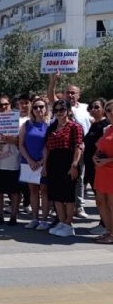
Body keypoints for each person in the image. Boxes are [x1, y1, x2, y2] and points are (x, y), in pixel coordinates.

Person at [47, 72, 90, 216]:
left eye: (73, 93)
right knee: (59, 185)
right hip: (57, 155)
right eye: (67, 92)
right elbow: (50, 97)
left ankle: (79, 206)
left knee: (78, 179)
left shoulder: (85, 108)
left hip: (78, 151)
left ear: (79, 95)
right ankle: (59, 214)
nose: (70, 95)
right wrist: (53, 81)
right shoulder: (58, 111)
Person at [42, 99, 84, 237]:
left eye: (62, 110)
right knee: (56, 195)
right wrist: (44, 166)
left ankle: (68, 224)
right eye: (56, 110)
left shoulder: (74, 127)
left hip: (67, 162)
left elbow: (78, 147)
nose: (59, 113)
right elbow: (47, 148)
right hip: (53, 163)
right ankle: (61, 222)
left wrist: (74, 165)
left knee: (68, 196)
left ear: (68, 111)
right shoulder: (51, 127)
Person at [18, 96, 50, 231]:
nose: (38, 109)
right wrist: (30, 160)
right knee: (33, 191)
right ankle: (35, 218)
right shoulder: (26, 125)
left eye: (41, 107)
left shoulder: (50, 125)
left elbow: (50, 146)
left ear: (46, 109)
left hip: (44, 163)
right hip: (28, 163)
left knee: (44, 191)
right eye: (35, 107)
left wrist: (43, 162)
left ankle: (44, 220)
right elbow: (21, 145)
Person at [0, 96, 22, 226]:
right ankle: (0, 215)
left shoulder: (17, 121)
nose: (3, 107)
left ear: (10, 106)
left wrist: (12, 140)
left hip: (13, 162)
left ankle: (13, 216)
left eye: (5, 105)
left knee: (14, 192)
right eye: (0, 105)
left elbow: (22, 142)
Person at [83, 98, 110, 236]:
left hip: (102, 167)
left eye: (97, 107)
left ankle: (107, 225)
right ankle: (104, 223)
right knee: (98, 198)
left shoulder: (106, 125)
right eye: (91, 107)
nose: (93, 109)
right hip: (90, 166)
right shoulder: (94, 125)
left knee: (105, 199)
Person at [92, 99, 113, 244]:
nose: (111, 113)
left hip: (111, 170)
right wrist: (95, 156)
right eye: (108, 110)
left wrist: (109, 160)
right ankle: (109, 231)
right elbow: (101, 148)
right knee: (101, 203)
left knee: (112, 204)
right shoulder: (107, 129)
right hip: (101, 170)